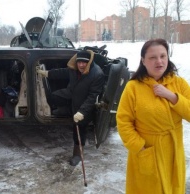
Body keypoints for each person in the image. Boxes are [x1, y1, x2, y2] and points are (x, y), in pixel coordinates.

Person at [116, 38, 190, 194]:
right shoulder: (133, 87)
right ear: (143, 60)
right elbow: (123, 120)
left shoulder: (179, 84)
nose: (159, 61)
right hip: (147, 151)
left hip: (173, 151)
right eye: (152, 57)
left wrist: (172, 97)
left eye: (163, 56)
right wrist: (139, 146)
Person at [37, 50, 104, 166]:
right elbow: (63, 72)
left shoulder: (97, 74)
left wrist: (82, 112)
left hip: (83, 104)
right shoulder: (74, 68)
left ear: (89, 62)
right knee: (52, 97)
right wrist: (47, 73)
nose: (81, 65)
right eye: (79, 62)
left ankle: (78, 155)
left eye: (84, 62)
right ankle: (67, 110)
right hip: (71, 95)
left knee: (79, 128)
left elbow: (92, 97)